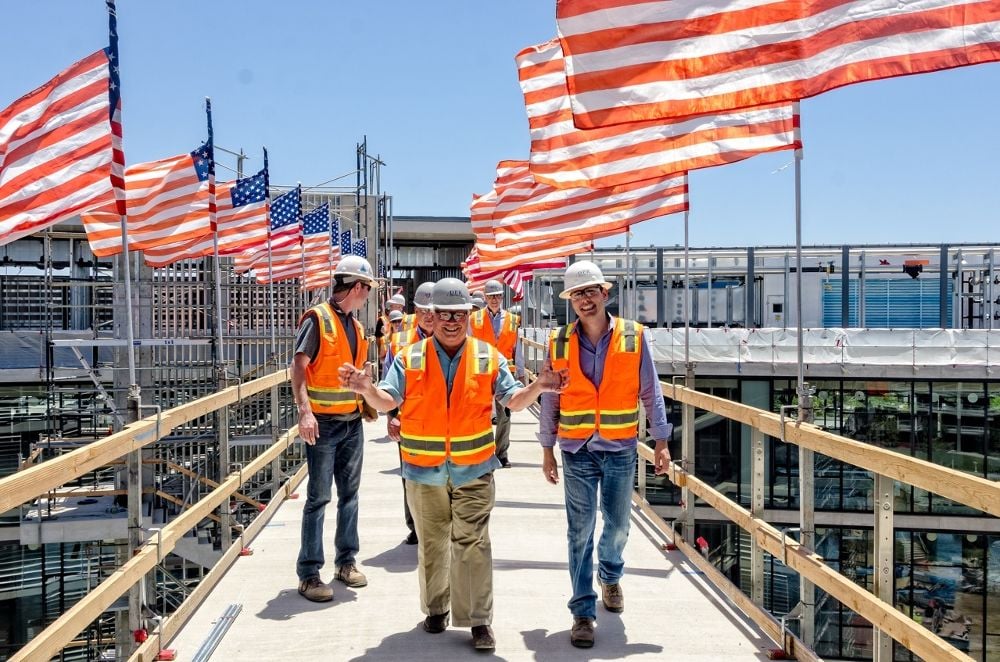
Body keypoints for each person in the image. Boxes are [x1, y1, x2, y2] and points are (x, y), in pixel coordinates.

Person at [339, 278, 567, 651]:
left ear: (468, 316)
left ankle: (478, 620)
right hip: (424, 471)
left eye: (458, 314)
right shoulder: (409, 357)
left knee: (473, 543)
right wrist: (366, 390)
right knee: (432, 544)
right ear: (430, 315)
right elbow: (387, 400)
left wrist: (539, 386)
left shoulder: (488, 356)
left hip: (474, 469)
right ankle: (435, 609)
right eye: (443, 313)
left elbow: (513, 402)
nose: (450, 321)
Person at [538, 260, 672, 648]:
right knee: (578, 531)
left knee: (617, 526)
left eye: (590, 291)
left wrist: (661, 441)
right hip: (577, 449)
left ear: (605, 294)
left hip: (618, 448)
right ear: (570, 301)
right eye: (577, 294)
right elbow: (550, 398)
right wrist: (547, 448)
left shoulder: (633, 336)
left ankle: (610, 574)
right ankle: (582, 611)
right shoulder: (558, 341)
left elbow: (651, 390)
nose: (584, 300)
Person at [290, 254, 379, 603]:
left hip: (350, 423)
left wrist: (366, 394)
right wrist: (305, 412)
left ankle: (346, 562)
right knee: (318, 498)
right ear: (357, 286)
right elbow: (299, 366)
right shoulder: (318, 319)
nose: (368, 296)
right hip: (323, 424)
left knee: (350, 496)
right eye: (367, 289)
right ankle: (309, 574)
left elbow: (351, 377)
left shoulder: (355, 327)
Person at [382, 281, 436, 545]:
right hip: (410, 420)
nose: (428, 314)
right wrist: (392, 415)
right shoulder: (399, 340)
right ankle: (415, 526)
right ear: (415, 309)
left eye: (432, 309)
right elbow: (388, 383)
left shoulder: (452, 335)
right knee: (411, 476)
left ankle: (437, 526)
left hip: (443, 420)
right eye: (423, 309)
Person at [469, 279, 524, 468]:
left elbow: (518, 348)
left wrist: (521, 374)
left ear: (502, 297)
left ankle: (501, 454)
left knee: (504, 416)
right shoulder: (474, 319)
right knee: (481, 414)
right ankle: (482, 452)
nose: (494, 299)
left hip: (505, 374)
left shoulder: (512, 320)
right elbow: (468, 346)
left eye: (498, 296)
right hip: (481, 373)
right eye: (491, 296)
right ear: (485, 297)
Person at [377, 293, 406, 363]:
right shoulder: (382, 320)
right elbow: (379, 350)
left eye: (393, 306)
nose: (390, 308)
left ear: (401, 307)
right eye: (394, 322)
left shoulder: (408, 321)